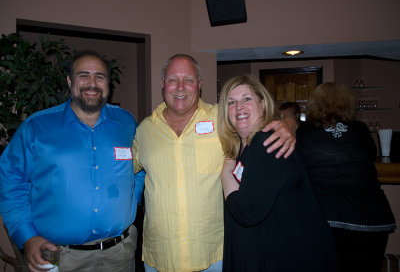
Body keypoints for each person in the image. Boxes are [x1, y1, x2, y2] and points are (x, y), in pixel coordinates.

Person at [132, 54, 296, 272]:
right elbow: (125, 172)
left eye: (188, 80)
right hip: (160, 257)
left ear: (199, 86)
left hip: (215, 256)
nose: (180, 87)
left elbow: (257, 121)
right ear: (163, 85)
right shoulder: (145, 130)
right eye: (173, 79)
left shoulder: (222, 117)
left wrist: (287, 123)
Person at [0, 51, 143, 272]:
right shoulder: (36, 127)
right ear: (70, 80)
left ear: (108, 83)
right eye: (83, 75)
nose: (92, 83)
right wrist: (27, 236)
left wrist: (131, 199)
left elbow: (139, 166)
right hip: (59, 256)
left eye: (100, 76)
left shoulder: (125, 122)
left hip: (119, 255)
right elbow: (10, 181)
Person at [218, 74, 337, 271]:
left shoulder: (268, 143)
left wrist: (225, 174)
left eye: (246, 99)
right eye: (232, 102)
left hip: (291, 258)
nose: (239, 107)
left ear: (263, 103)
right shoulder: (244, 146)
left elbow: (247, 213)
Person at [296, 82, 396, 272]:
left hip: (327, 216)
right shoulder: (360, 129)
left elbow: (298, 168)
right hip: (371, 216)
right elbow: (369, 155)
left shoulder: (306, 132)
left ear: (315, 104)